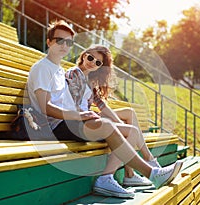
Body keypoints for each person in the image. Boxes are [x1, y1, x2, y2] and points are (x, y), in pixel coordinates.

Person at [27, 20, 183, 199]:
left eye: (69, 42)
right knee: (109, 126)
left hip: (70, 121)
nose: (64, 46)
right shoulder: (43, 68)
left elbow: (83, 103)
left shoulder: (58, 70)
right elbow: (45, 107)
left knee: (131, 131)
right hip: (56, 126)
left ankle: (111, 177)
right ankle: (151, 173)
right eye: (59, 40)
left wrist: (83, 115)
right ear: (49, 42)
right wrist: (80, 115)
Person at [65, 45, 178, 196]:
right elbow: (72, 104)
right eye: (91, 58)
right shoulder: (75, 73)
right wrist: (114, 125)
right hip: (78, 120)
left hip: (89, 117)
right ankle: (136, 168)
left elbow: (103, 106)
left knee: (129, 118)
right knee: (131, 131)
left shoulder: (90, 80)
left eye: (98, 63)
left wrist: (118, 124)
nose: (93, 63)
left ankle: (132, 171)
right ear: (84, 55)